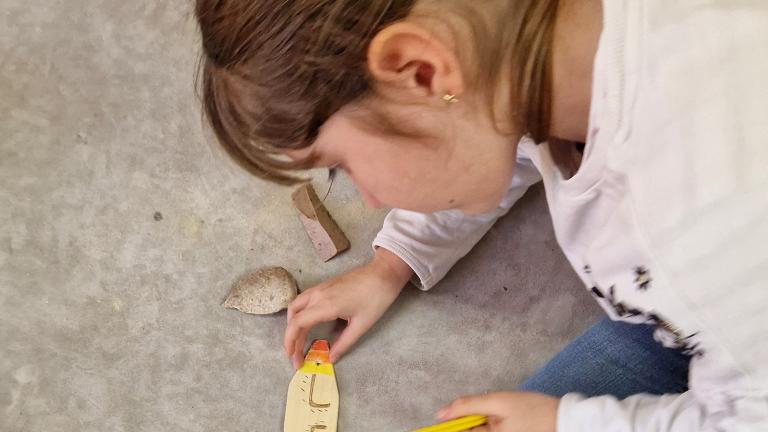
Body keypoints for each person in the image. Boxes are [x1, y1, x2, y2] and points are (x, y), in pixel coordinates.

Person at [194, 0, 768, 430]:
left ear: (421, 70)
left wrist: (566, 425)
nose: (367, 199)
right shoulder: (544, 45)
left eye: (340, 166)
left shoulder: (703, 230)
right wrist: (393, 262)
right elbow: (489, 126)